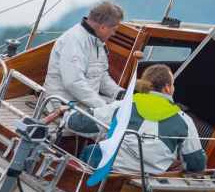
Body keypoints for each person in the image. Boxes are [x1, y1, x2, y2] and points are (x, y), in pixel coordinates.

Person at [65, 64, 206, 176]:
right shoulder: (185, 121)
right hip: (146, 180)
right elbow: (196, 164)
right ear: (168, 88)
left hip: (111, 171)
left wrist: (66, 114)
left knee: (91, 151)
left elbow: (79, 124)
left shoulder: (124, 105)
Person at [42, 1, 125, 109]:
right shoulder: (74, 40)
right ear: (103, 27)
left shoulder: (98, 41)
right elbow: (73, 83)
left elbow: (101, 75)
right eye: (114, 30)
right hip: (63, 105)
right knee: (118, 118)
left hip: (85, 103)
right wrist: (103, 108)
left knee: (124, 109)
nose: (113, 34)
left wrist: (119, 93)